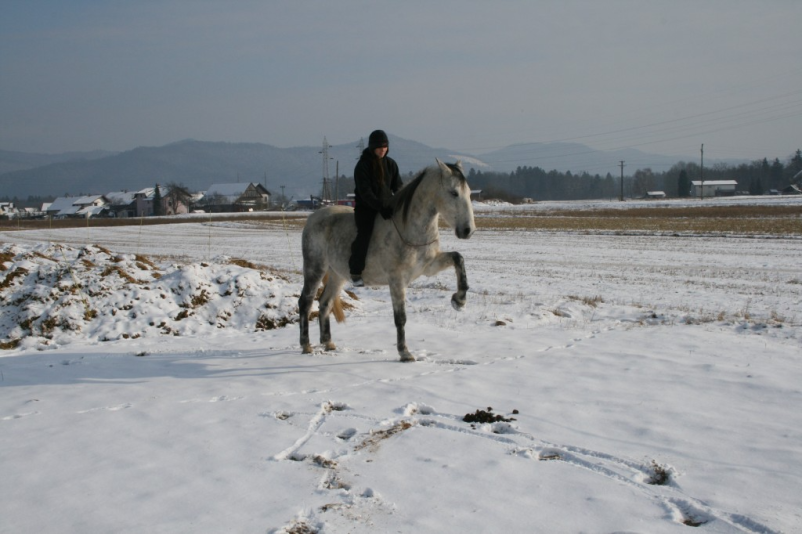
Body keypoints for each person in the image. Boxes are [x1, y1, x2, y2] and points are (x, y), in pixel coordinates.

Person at [349, 129, 403, 286]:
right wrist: (380, 206)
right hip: (366, 208)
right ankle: (356, 271)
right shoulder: (362, 166)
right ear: (372, 147)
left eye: (385, 146)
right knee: (364, 235)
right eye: (379, 147)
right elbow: (366, 193)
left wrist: (398, 204)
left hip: (386, 207)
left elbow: (398, 188)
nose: (383, 149)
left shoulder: (391, 164)